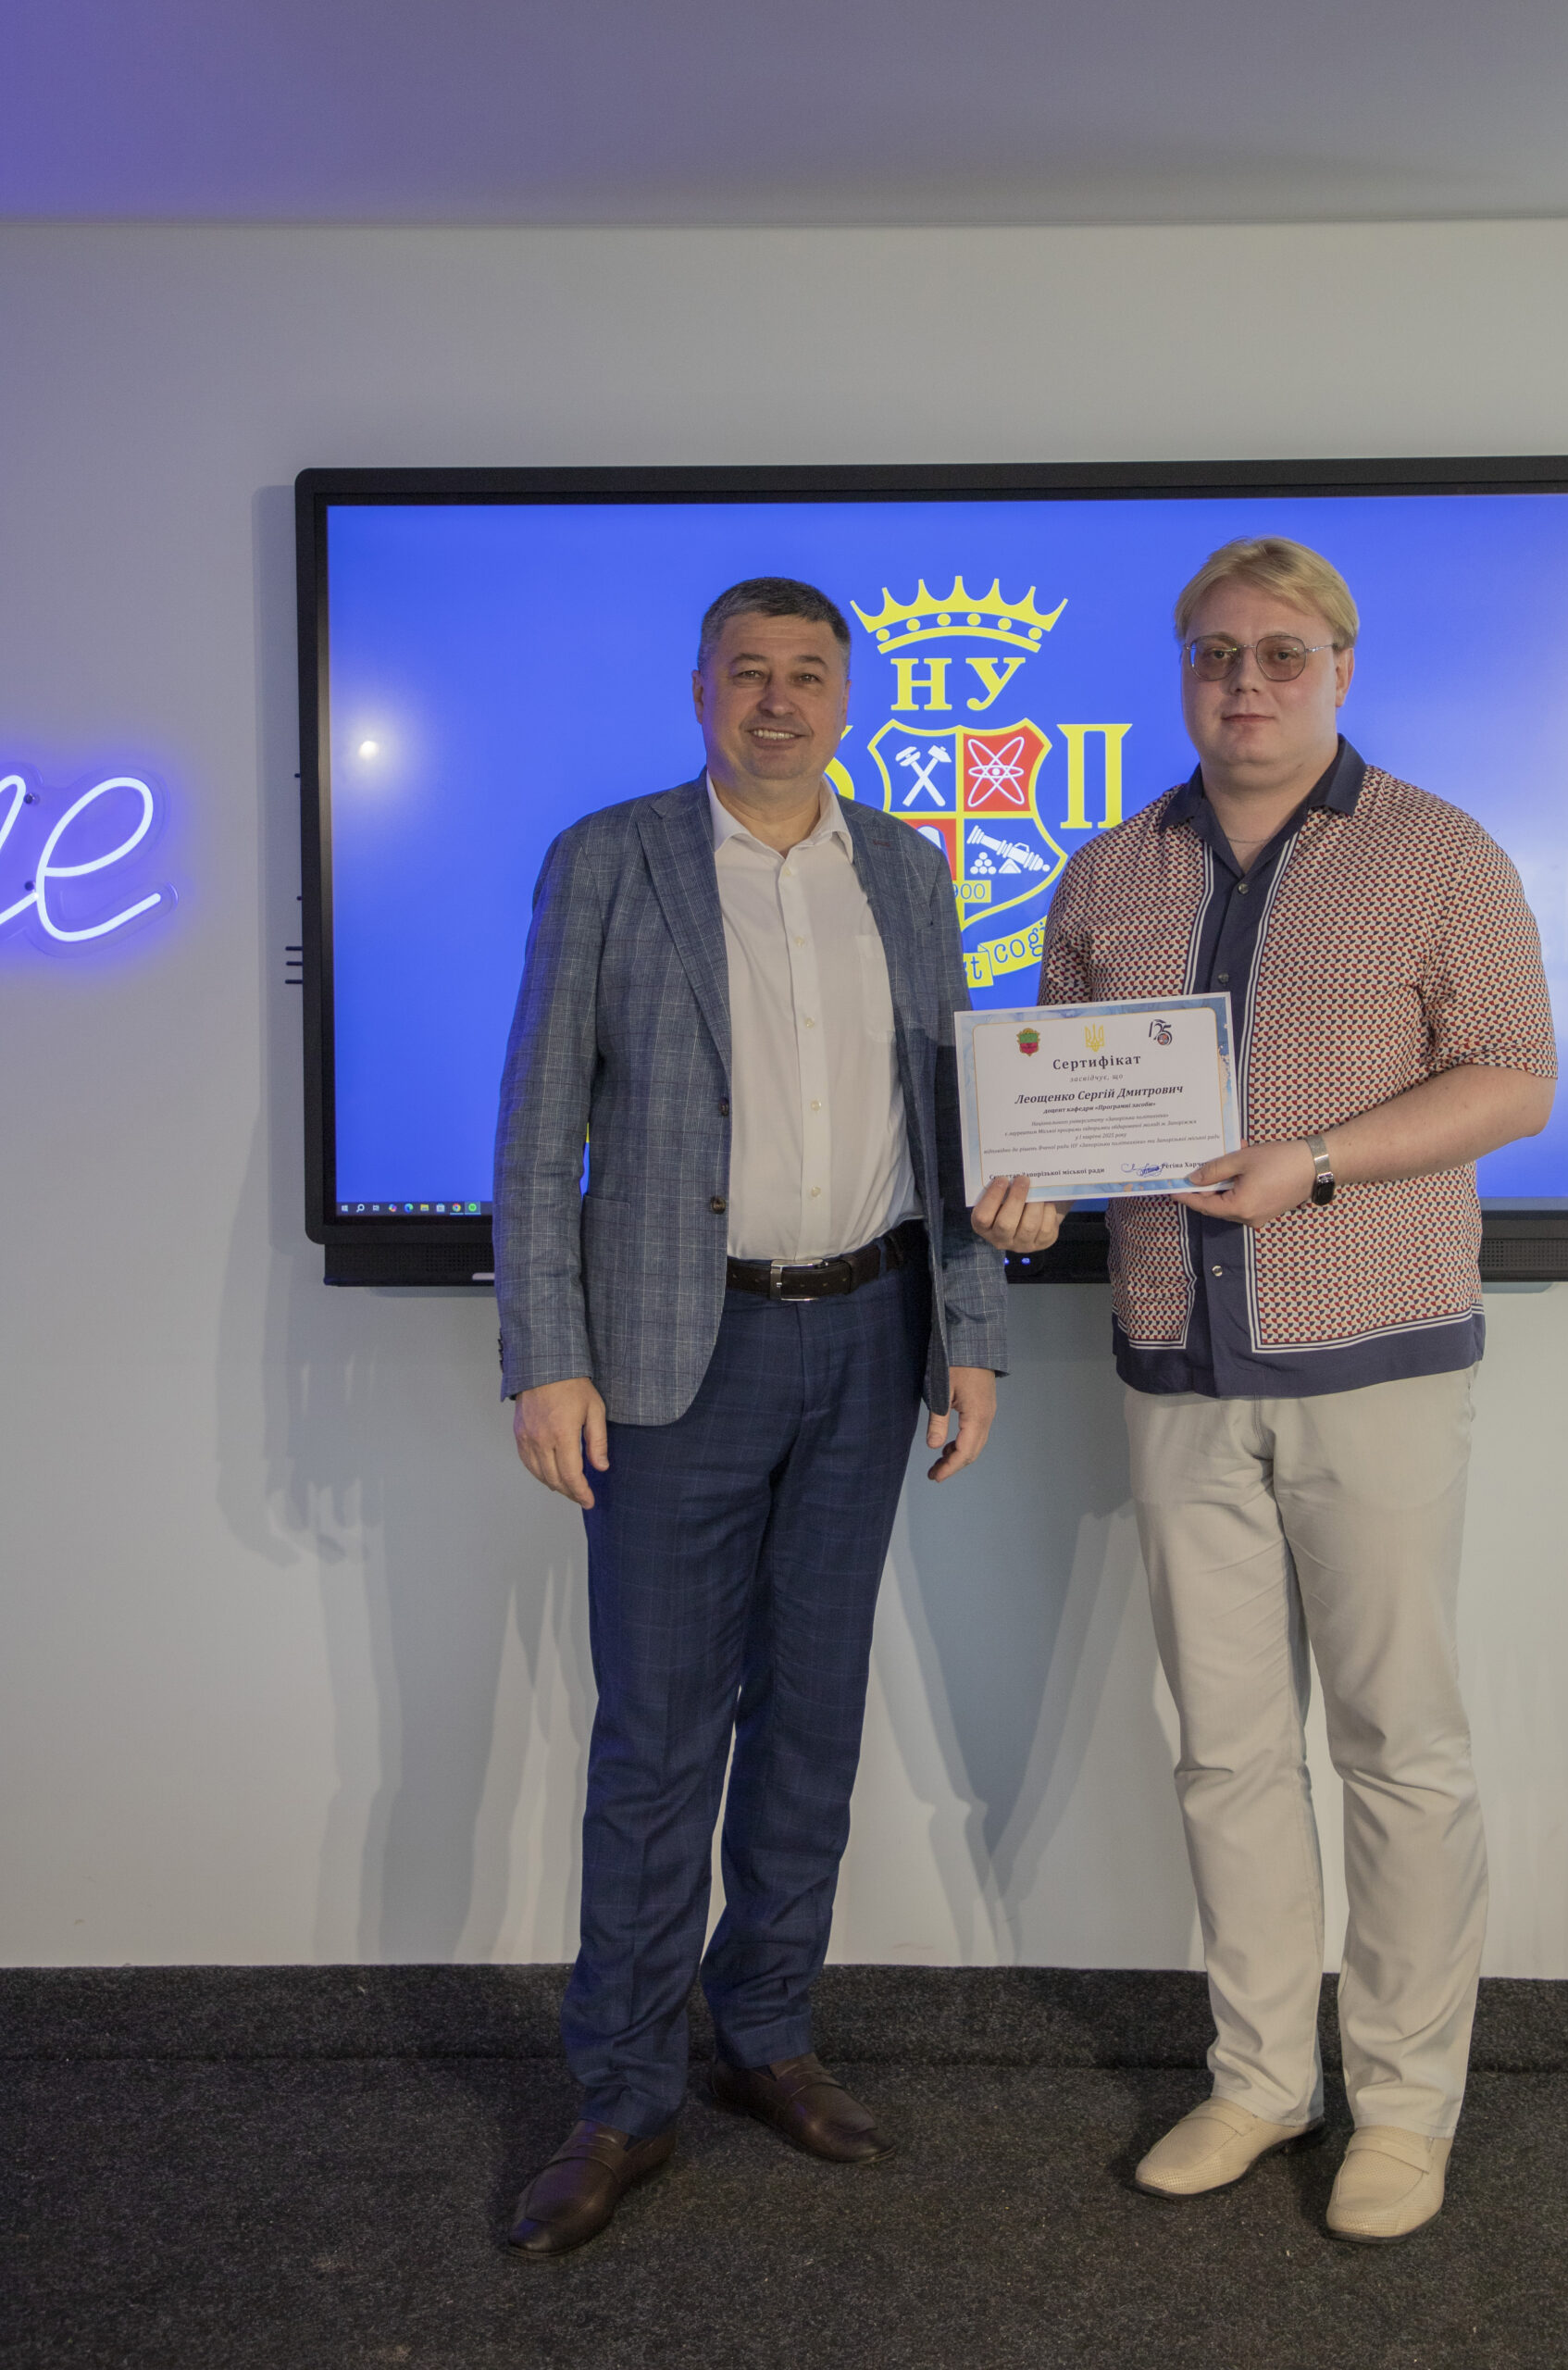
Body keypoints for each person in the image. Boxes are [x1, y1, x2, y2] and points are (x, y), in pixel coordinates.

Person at [977, 536, 1557, 2244]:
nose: (1246, 683)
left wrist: (1315, 1159)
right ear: (1183, 673)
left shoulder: (1440, 853)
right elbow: (1061, 1112)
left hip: (1371, 1352)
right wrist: (1027, 1196)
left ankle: (1405, 2108)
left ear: (1341, 672)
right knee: (1225, 1752)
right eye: (1216, 654)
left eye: (1282, 654)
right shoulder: (1108, 871)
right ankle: (1258, 2081)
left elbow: (1516, 1079)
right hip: (1176, 1358)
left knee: (1397, 1748)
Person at [492, 576, 1007, 2261]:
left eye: (807, 675)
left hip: (869, 1332)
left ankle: (767, 2029)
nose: (778, 701)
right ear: (700, 688)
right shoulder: (609, 858)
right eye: (748, 673)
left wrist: (972, 1336)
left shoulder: (908, 872)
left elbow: (953, 1119)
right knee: (657, 1738)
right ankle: (622, 2093)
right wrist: (544, 1355)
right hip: (669, 1357)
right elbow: (536, 1129)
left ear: (847, 701)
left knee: (812, 1720)